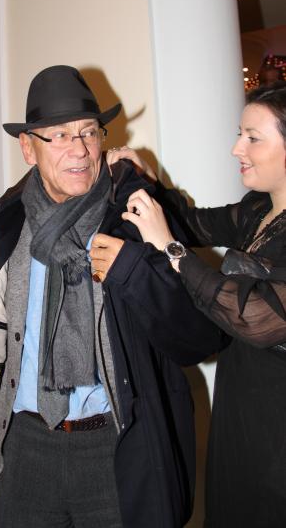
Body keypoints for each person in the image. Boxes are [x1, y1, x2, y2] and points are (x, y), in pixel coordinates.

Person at [0, 65, 222, 528]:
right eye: (60, 135)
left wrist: (135, 273)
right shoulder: (5, 231)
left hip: (117, 446)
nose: (80, 149)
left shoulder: (135, 222)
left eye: (88, 132)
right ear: (27, 147)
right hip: (26, 447)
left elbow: (198, 340)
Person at [90, 82, 286, 528]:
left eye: (253, 138)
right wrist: (150, 183)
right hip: (242, 400)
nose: (237, 148)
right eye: (239, 134)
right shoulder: (259, 210)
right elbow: (194, 224)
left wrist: (170, 249)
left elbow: (253, 315)